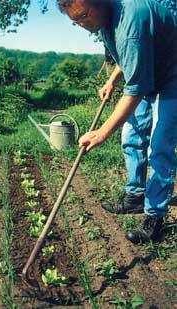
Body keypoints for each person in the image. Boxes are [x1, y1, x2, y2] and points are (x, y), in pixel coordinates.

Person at [57, 0, 177, 244]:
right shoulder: (104, 20)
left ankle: (154, 218)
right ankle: (135, 195)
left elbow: (135, 88)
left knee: (160, 146)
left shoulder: (131, 19)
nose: (82, 24)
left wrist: (101, 133)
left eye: (84, 16)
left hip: (172, 76)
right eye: (75, 21)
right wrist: (112, 79)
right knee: (131, 136)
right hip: (150, 71)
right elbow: (126, 56)